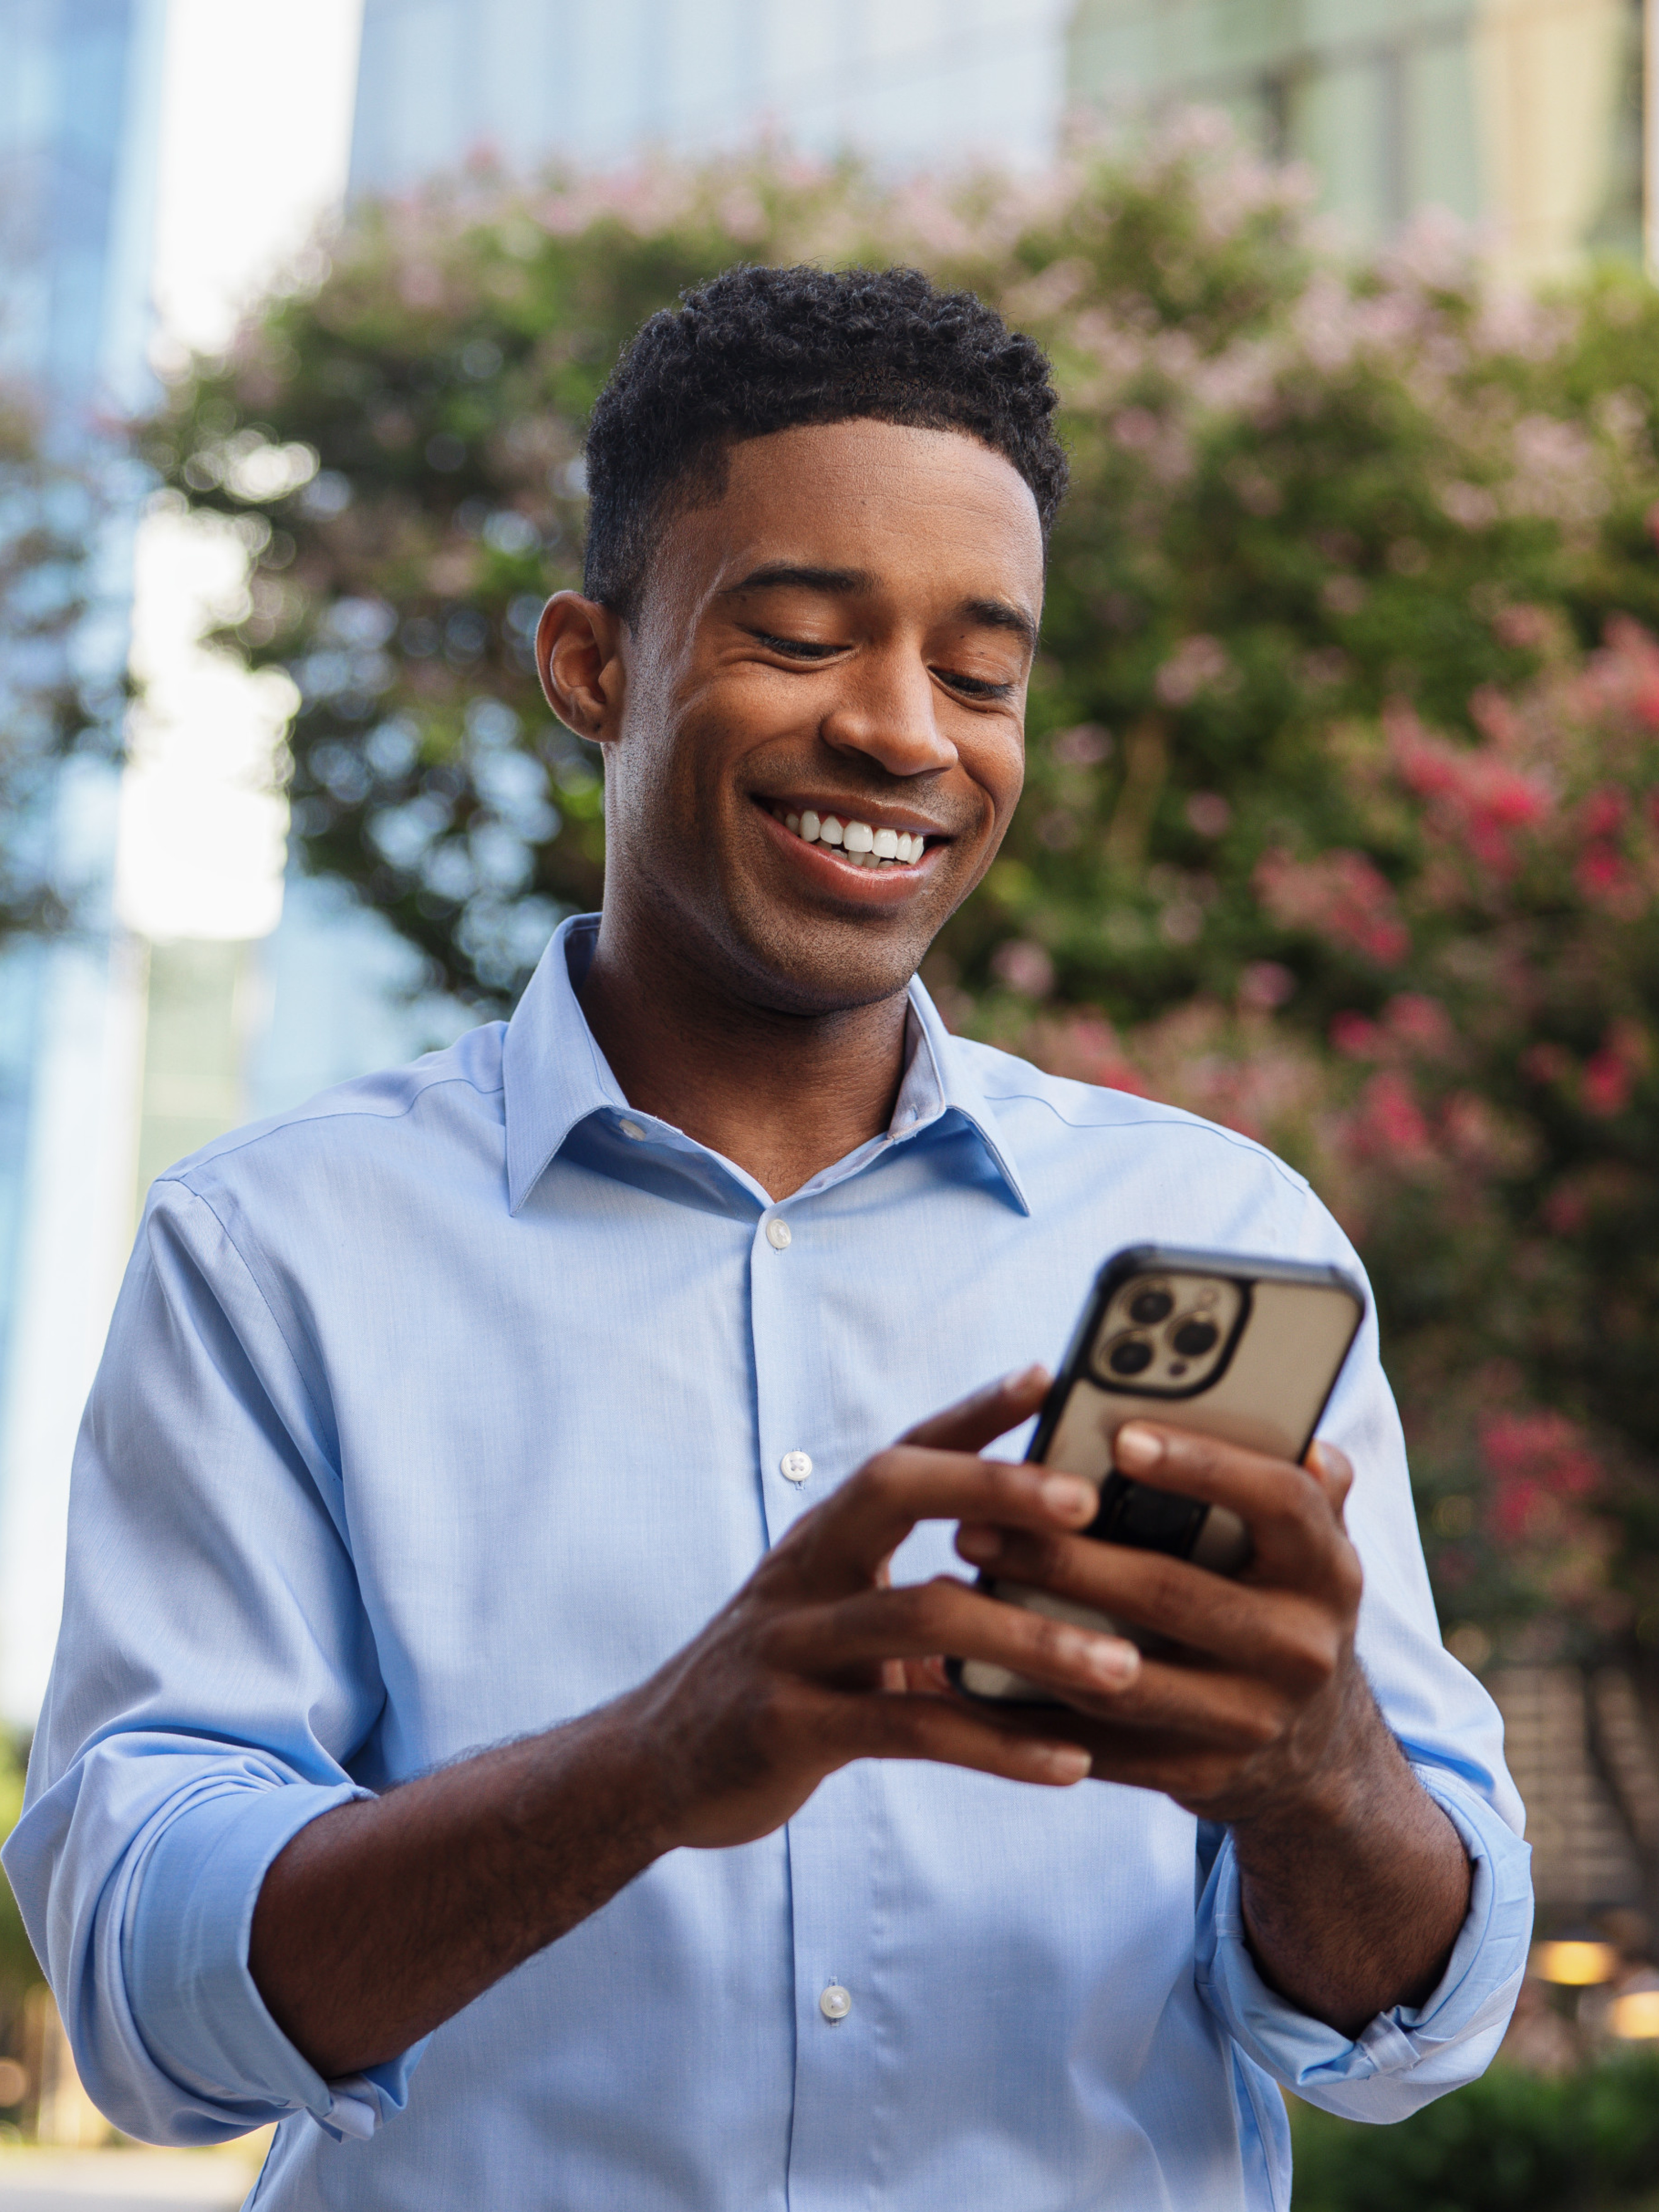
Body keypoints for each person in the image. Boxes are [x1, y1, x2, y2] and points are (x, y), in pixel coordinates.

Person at [5, 265, 1531, 2210]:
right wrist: (654, 1760)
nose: (908, 733)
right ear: (593, 664)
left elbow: (1416, 2021)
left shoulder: (1221, 1232)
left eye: (983, 674)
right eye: (805, 635)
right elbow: (151, 2001)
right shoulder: (270, 1249)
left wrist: (1306, 1765)